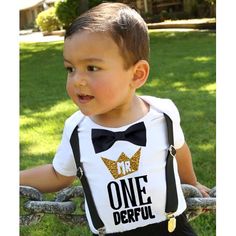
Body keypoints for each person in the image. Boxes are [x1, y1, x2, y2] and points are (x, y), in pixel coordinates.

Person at [20, 2, 210, 235]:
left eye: (91, 68)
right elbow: (58, 174)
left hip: (171, 228)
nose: (77, 80)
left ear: (137, 74)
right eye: (70, 69)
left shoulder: (163, 114)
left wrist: (191, 182)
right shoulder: (77, 128)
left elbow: (178, 149)